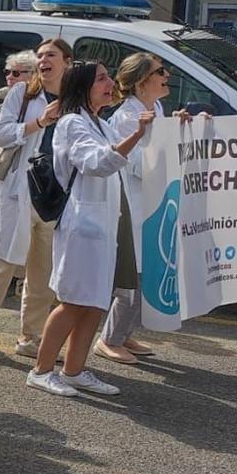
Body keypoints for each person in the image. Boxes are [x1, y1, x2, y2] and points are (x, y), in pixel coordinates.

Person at [29, 60, 154, 398]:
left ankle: (74, 370)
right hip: (80, 227)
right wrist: (137, 135)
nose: (109, 83)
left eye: (109, 77)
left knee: (95, 302)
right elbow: (97, 163)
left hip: (103, 226)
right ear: (82, 86)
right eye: (101, 79)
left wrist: (168, 129)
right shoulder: (72, 124)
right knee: (72, 301)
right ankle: (41, 370)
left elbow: (136, 153)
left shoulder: (100, 122)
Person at [0, 38, 70, 358]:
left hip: (54, 195)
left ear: (67, 62)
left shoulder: (74, 98)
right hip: (20, 190)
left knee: (42, 272)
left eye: (51, 55)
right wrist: (40, 121)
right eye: (41, 55)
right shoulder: (23, 94)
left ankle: (30, 337)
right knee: (2, 264)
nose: (44, 59)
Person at [98, 53, 174, 363]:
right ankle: (109, 339)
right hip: (134, 207)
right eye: (161, 71)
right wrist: (168, 153)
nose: (166, 75)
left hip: (155, 204)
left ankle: (124, 334)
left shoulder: (155, 107)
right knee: (134, 277)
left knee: (150, 271)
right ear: (143, 81)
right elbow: (135, 164)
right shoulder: (127, 117)